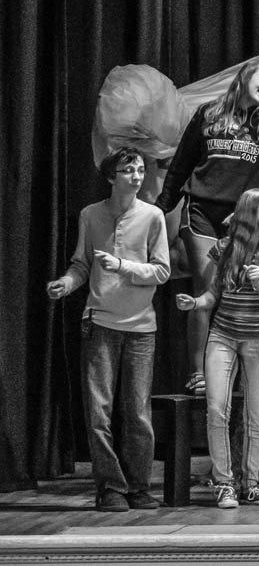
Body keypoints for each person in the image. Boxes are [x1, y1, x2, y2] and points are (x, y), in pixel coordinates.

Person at [157, 59, 259, 395]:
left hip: (240, 216)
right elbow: (181, 164)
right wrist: (159, 209)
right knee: (206, 286)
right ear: (246, 76)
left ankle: (253, 373)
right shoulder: (209, 114)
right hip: (201, 212)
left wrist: (243, 212)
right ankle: (198, 373)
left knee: (246, 290)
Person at [45, 146, 170, 513]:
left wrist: (122, 265)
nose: (136, 176)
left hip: (141, 328)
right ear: (111, 176)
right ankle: (110, 487)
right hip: (100, 323)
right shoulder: (91, 215)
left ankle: (139, 486)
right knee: (99, 412)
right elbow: (81, 265)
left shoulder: (153, 217)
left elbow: (162, 271)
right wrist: (66, 284)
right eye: (128, 170)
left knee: (138, 413)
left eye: (141, 170)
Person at [174, 188, 259, 508]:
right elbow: (212, 294)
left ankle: (251, 485)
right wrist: (194, 303)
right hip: (223, 336)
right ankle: (224, 483)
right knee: (217, 410)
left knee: (256, 415)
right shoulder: (224, 248)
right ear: (250, 210)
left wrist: (258, 282)